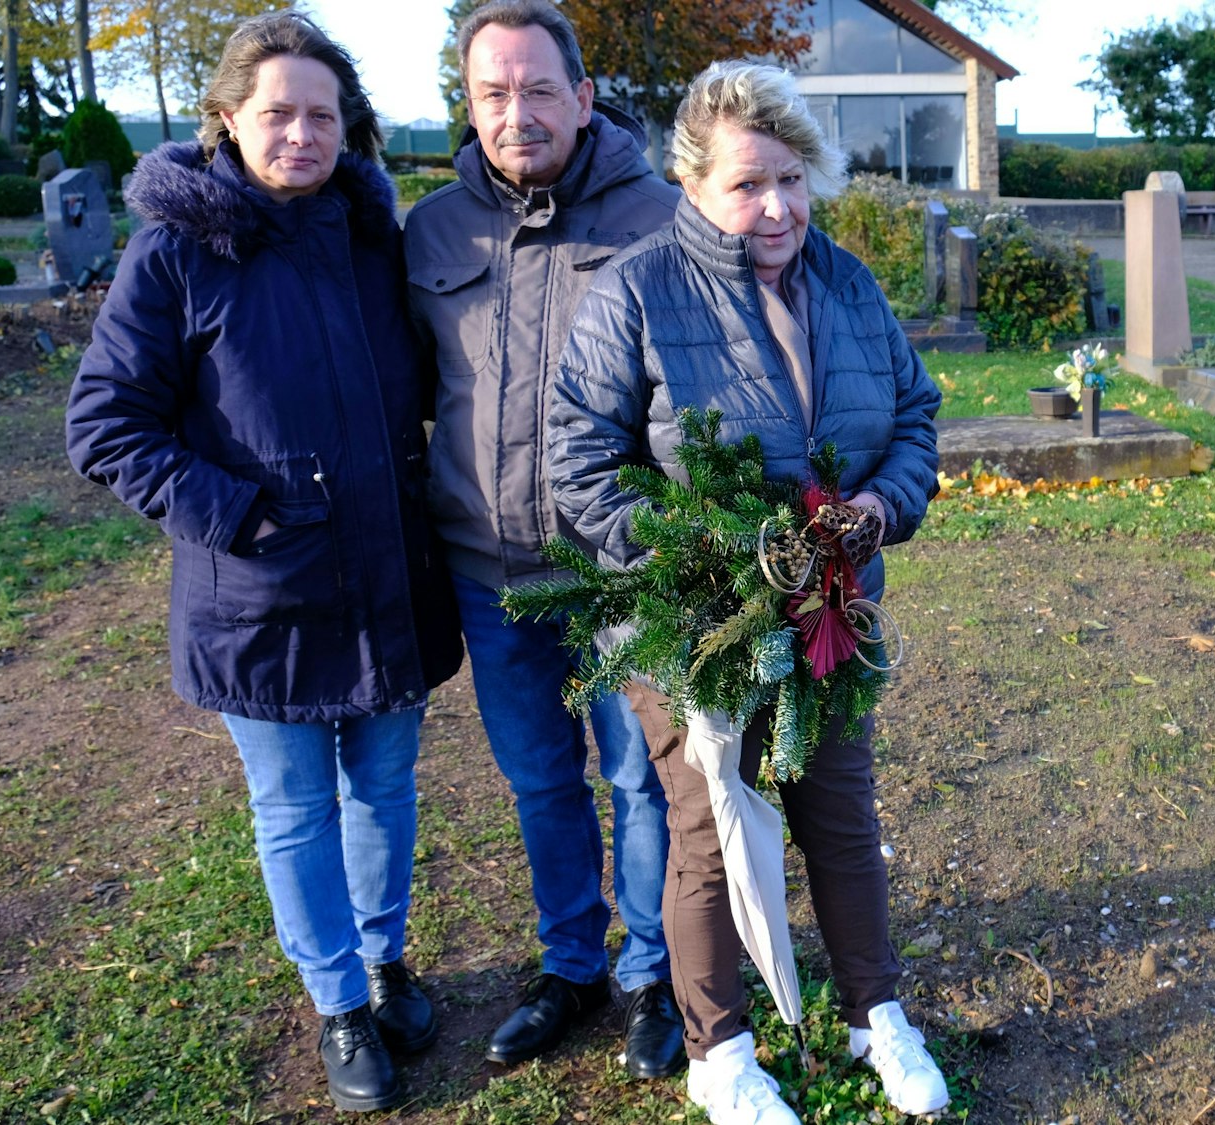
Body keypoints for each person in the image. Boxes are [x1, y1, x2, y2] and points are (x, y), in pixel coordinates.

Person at [64, 12, 462, 1114]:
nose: (300, 134)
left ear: (347, 127)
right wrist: (237, 516)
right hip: (261, 593)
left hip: (388, 577)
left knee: (383, 788)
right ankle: (337, 1000)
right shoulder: (177, 252)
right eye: (277, 112)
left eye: (321, 115)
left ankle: (383, 959)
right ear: (228, 119)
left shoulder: (374, 241)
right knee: (293, 810)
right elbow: (104, 423)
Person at [547, 61, 946, 1125]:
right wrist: (705, 562)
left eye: (791, 180)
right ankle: (719, 1052)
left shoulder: (846, 284)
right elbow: (580, 465)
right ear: (690, 183)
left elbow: (915, 415)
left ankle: (875, 1015)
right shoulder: (634, 292)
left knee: (841, 814)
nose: (776, 208)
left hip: (828, 612)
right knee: (711, 827)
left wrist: (879, 506)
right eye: (746, 184)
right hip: (691, 625)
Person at [403, 0, 685, 1076]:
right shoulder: (432, 232)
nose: (514, 112)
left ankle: (653, 971)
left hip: (624, 572)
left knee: (642, 779)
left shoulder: (663, 218)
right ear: (469, 104)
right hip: (493, 571)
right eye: (492, 93)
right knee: (539, 781)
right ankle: (570, 965)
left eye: (536, 89)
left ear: (583, 96)